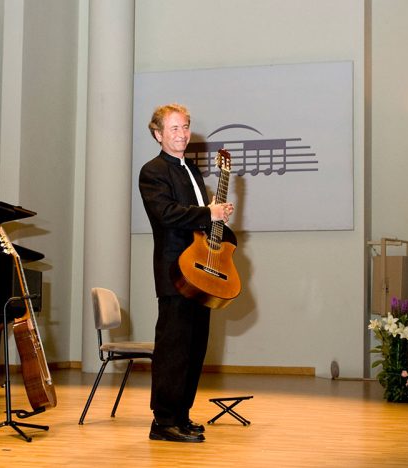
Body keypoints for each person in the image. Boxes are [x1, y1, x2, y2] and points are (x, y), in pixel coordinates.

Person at [139, 103, 235, 443]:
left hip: (203, 274)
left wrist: (218, 217)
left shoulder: (192, 172)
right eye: (175, 129)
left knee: (194, 349)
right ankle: (163, 421)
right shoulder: (153, 171)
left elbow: (201, 219)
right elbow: (167, 214)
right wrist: (208, 212)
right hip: (175, 271)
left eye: (185, 128)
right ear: (158, 134)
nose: (182, 134)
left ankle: (181, 415)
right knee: (174, 349)